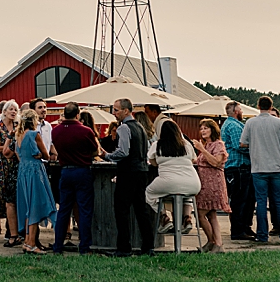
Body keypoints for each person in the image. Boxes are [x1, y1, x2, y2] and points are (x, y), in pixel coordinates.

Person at [105, 97, 156, 256]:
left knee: (122, 210)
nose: (114, 113)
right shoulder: (140, 127)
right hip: (141, 171)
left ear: (126, 111)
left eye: (116, 110)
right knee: (142, 210)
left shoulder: (123, 128)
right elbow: (146, 149)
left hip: (127, 172)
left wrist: (107, 156)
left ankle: (124, 248)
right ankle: (148, 246)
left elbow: (123, 152)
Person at [240, 96, 280, 245]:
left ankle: (262, 235)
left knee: (261, 202)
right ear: (271, 106)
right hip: (277, 167)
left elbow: (243, 143)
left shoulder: (251, 123)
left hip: (258, 167)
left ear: (258, 106)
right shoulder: (278, 122)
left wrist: (255, 145)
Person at [51, 102, 97, 255]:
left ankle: (58, 245)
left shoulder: (55, 131)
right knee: (84, 210)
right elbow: (95, 150)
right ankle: (84, 246)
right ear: (77, 114)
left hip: (65, 171)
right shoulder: (86, 131)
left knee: (63, 210)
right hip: (82, 170)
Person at [145, 121, 201, 239]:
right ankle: (187, 219)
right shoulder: (186, 144)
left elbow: (152, 162)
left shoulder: (157, 145)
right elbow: (193, 160)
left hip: (169, 182)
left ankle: (164, 218)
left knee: (149, 193)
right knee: (187, 194)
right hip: (193, 182)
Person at [14, 109, 55, 254]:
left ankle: (26, 241)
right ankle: (31, 243)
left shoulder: (18, 135)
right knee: (35, 205)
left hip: (23, 171)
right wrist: (39, 155)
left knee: (27, 206)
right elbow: (46, 154)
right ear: (33, 121)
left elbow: (18, 154)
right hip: (35, 171)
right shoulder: (34, 134)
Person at [191, 118, 229, 252]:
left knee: (200, 214)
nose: (203, 131)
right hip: (204, 184)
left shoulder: (218, 145)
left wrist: (202, 149)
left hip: (213, 184)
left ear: (213, 129)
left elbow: (216, 162)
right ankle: (216, 243)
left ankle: (213, 241)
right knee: (211, 215)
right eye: (201, 129)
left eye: (206, 128)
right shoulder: (206, 145)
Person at [0, 100, 21, 246]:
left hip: (15, 166)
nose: (13, 112)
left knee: (14, 199)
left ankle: (13, 231)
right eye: (11, 109)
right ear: (4, 111)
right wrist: (12, 147)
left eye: (16, 110)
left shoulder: (18, 127)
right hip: (2, 166)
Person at [219, 102, 252, 240]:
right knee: (240, 199)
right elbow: (240, 145)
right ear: (236, 111)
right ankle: (238, 230)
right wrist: (256, 149)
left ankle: (243, 227)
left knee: (243, 198)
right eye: (241, 110)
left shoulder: (229, 124)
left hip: (234, 167)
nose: (242, 112)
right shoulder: (234, 125)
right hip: (238, 166)